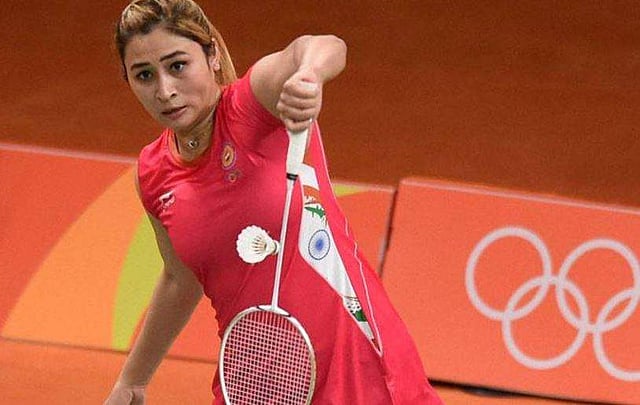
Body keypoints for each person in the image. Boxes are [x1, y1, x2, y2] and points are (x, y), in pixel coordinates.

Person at [105, 0, 443, 403]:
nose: (165, 91)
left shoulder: (253, 106)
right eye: (144, 75)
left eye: (177, 65)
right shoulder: (154, 173)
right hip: (257, 381)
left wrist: (309, 74)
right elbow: (180, 279)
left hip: (356, 365)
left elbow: (318, 45)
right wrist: (133, 380)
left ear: (212, 55)